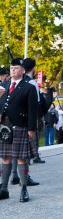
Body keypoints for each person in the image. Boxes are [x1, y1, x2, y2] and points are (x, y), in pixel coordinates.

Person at [0, 58, 38, 202]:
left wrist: (31, 129)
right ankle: (4, 189)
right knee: (5, 157)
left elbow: (32, 110)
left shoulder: (28, 87)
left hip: (20, 126)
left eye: (16, 68)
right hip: (5, 126)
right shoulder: (4, 85)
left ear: (22, 70)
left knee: (21, 158)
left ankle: (24, 189)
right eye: (11, 68)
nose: (13, 70)